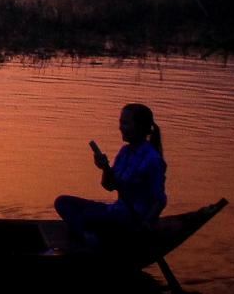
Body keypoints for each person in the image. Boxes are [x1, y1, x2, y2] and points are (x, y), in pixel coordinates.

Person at [55, 103, 167, 247]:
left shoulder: (152, 160)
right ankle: (89, 235)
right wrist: (104, 168)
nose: (121, 128)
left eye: (126, 123)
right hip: (115, 211)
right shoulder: (125, 152)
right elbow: (109, 185)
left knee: (83, 218)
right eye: (121, 123)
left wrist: (146, 224)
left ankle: (91, 239)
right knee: (63, 202)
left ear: (139, 127)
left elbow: (160, 200)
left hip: (131, 220)